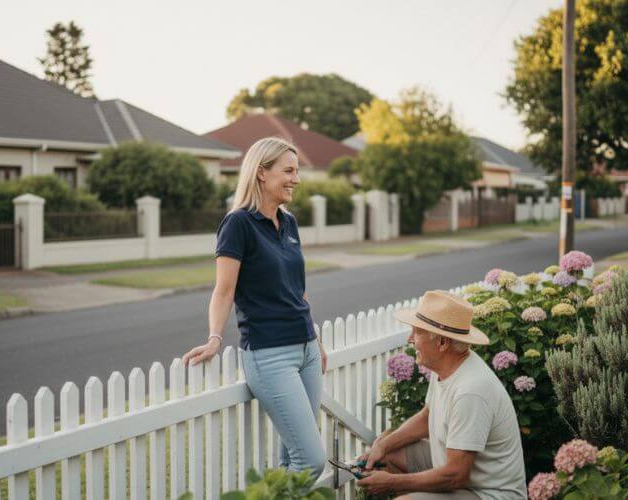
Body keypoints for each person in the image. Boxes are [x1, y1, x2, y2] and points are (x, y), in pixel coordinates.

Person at [182, 136, 328, 477]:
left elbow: (297, 289)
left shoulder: (288, 222)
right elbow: (224, 291)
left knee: (291, 460)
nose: (296, 178)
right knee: (311, 461)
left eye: (297, 171)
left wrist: (316, 338)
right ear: (262, 173)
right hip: (270, 354)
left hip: (306, 349)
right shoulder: (238, 224)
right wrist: (215, 337)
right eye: (288, 170)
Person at [356, 291, 527, 499]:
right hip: (461, 477)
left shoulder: (470, 390)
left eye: (417, 332)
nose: (410, 338)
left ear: (443, 343)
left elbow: (456, 475)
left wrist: (392, 483)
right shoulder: (447, 367)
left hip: (488, 494)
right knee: (388, 454)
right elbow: (427, 416)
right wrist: (383, 445)